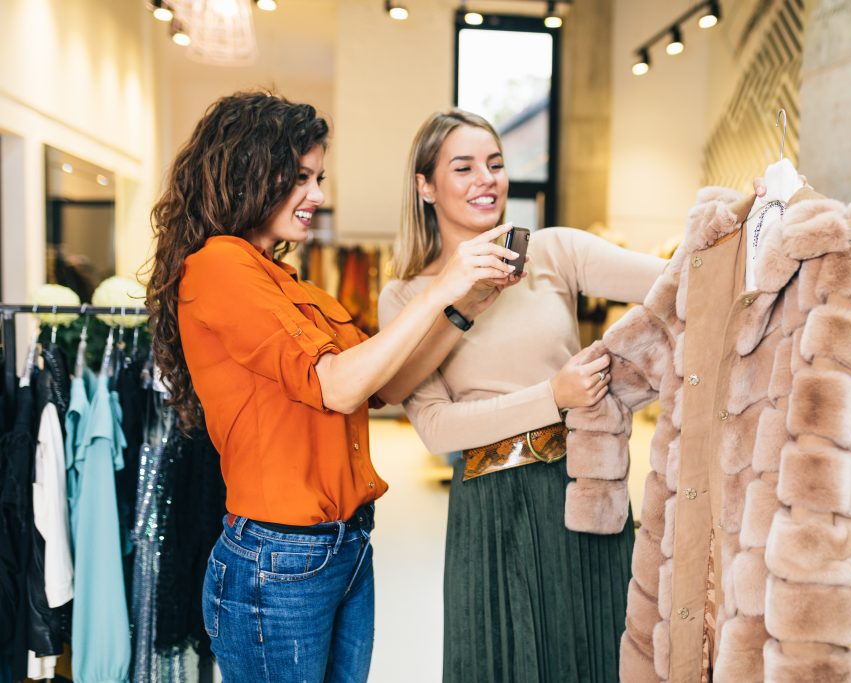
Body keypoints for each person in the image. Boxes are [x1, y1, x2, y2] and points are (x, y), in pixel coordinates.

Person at [145, 92, 521, 683]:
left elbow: (383, 384)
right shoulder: (217, 266)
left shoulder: (288, 283)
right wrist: (439, 287)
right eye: (299, 177)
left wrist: (464, 308)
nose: (317, 196)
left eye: (318, 177)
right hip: (279, 557)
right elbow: (337, 387)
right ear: (248, 171)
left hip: (341, 548)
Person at [378, 109, 668, 683]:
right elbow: (435, 427)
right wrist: (552, 396)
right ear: (425, 186)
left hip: (583, 489)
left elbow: (676, 279)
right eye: (463, 167)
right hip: (491, 508)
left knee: (596, 657)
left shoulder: (553, 253)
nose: (487, 179)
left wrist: (749, 224)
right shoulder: (407, 295)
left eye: (496, 164)